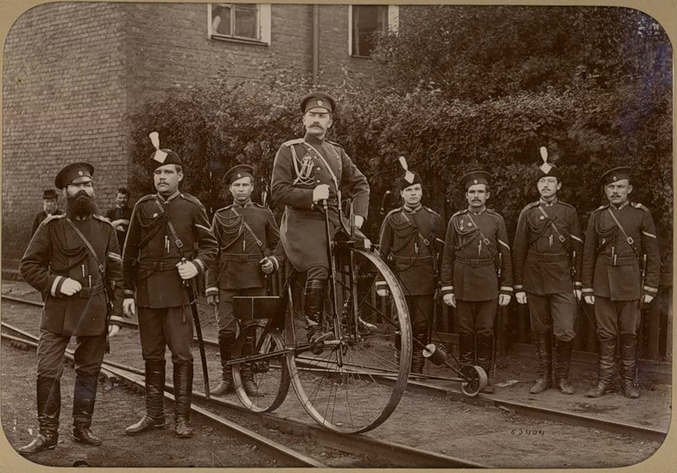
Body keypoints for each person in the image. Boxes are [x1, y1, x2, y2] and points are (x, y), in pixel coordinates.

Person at [19, 163, 125, 454]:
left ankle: (82, 427)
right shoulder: (51, 227)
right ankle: (47, 434)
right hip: (58, 310)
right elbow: (28, 266)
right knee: (48, 369)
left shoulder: (105, 228)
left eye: (88, 184)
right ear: (65, 192)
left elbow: (116, 272)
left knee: (89, 370)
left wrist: (114, 314)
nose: (83, 190)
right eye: (76, 186)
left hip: (94, 308)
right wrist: (55, 283)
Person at [122, 134, 218, 438]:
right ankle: (154, 415)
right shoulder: (142, 206)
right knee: (151, 355)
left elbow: (211, 247)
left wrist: (196, 266)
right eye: (157, 173)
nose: (161, 178)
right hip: (148, 292)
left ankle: (182, 418)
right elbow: (128, 253)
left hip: (178, 294)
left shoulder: (192, 206)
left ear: (180, 176)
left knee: (181, 355)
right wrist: (127, 292)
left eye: (167, 172)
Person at [270, 92, 370, 352]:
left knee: (369, 252)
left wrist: (358, 217)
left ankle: (350, 314)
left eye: (322, 116)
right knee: (319, 268)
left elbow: (361, 184)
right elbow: (278, 191)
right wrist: (311, 195)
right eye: (312, 115)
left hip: (334, 222)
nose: (317, 120)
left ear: (330, 122)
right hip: (302, 223)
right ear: (304, 120)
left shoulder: (337, 152)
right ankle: (313, 328)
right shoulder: (290, 150)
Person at [582, 166, 659, 399]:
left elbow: (652, 253)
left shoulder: (641, 214)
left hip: (630, 282)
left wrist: (650, 286)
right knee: (606, 334)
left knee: (629, 334)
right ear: (606, 191)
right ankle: (603, 382)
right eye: (611, 187)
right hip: (603, 282)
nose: (615, 191)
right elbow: (588, 255)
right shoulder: (598, 215)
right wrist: (587, 286)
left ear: (629, 189)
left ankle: (628, 383)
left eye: (620, 187)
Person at [206, 164, 283, 396]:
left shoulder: (264, 214)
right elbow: (212, 251)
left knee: (250, 330)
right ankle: (228, 376)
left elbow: (279, 246)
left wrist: (272, 261)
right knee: (226, 331)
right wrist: (211, 285)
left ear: (252, 187)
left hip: (254, 279)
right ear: (230, 189)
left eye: (245, 185)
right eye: (236, 185)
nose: (241, 189)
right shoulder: (220, 216)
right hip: (227, 281)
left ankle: (247, 377)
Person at [512, 150, 583, 395]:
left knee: (565, 330)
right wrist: (519, 286)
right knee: (540, 329)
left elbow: (578, 249)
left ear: (559, 185)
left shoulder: (568, 212)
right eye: (542, 182)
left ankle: (562, 378)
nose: (546, 185)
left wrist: (579, 282)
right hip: (535, 279)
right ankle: (544, 377)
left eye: (550, 181)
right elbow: (518, 250)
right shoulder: (528, 212)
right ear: (537, 186)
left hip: (562, 278)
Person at [440, 171, 513, 393]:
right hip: (462, 282)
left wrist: (507, 288)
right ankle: (466, 376)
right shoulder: (456, 220)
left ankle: (484, 376)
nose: (476, 196)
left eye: (480, 192)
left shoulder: (496, 220)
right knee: (465, 331)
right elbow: (447, 257)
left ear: (487, 195)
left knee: (485, 331)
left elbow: (506, 255)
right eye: (472, 192)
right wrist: (447, 288)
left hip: (488, 281)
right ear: (466, 195)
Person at [376, 158, 444, 373]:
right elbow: (383, 253)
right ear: (402, 194)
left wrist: (442, 282)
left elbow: (441, 254)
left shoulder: (434, 219)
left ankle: (417, 370)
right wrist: (381, 281)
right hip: (400, 280)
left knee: (422, 326)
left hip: (425, 280)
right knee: (401, 327)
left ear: (421, 192)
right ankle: (402, 368)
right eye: (409, 190)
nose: (413, 193)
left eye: (416, 189)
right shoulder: (392, 218)